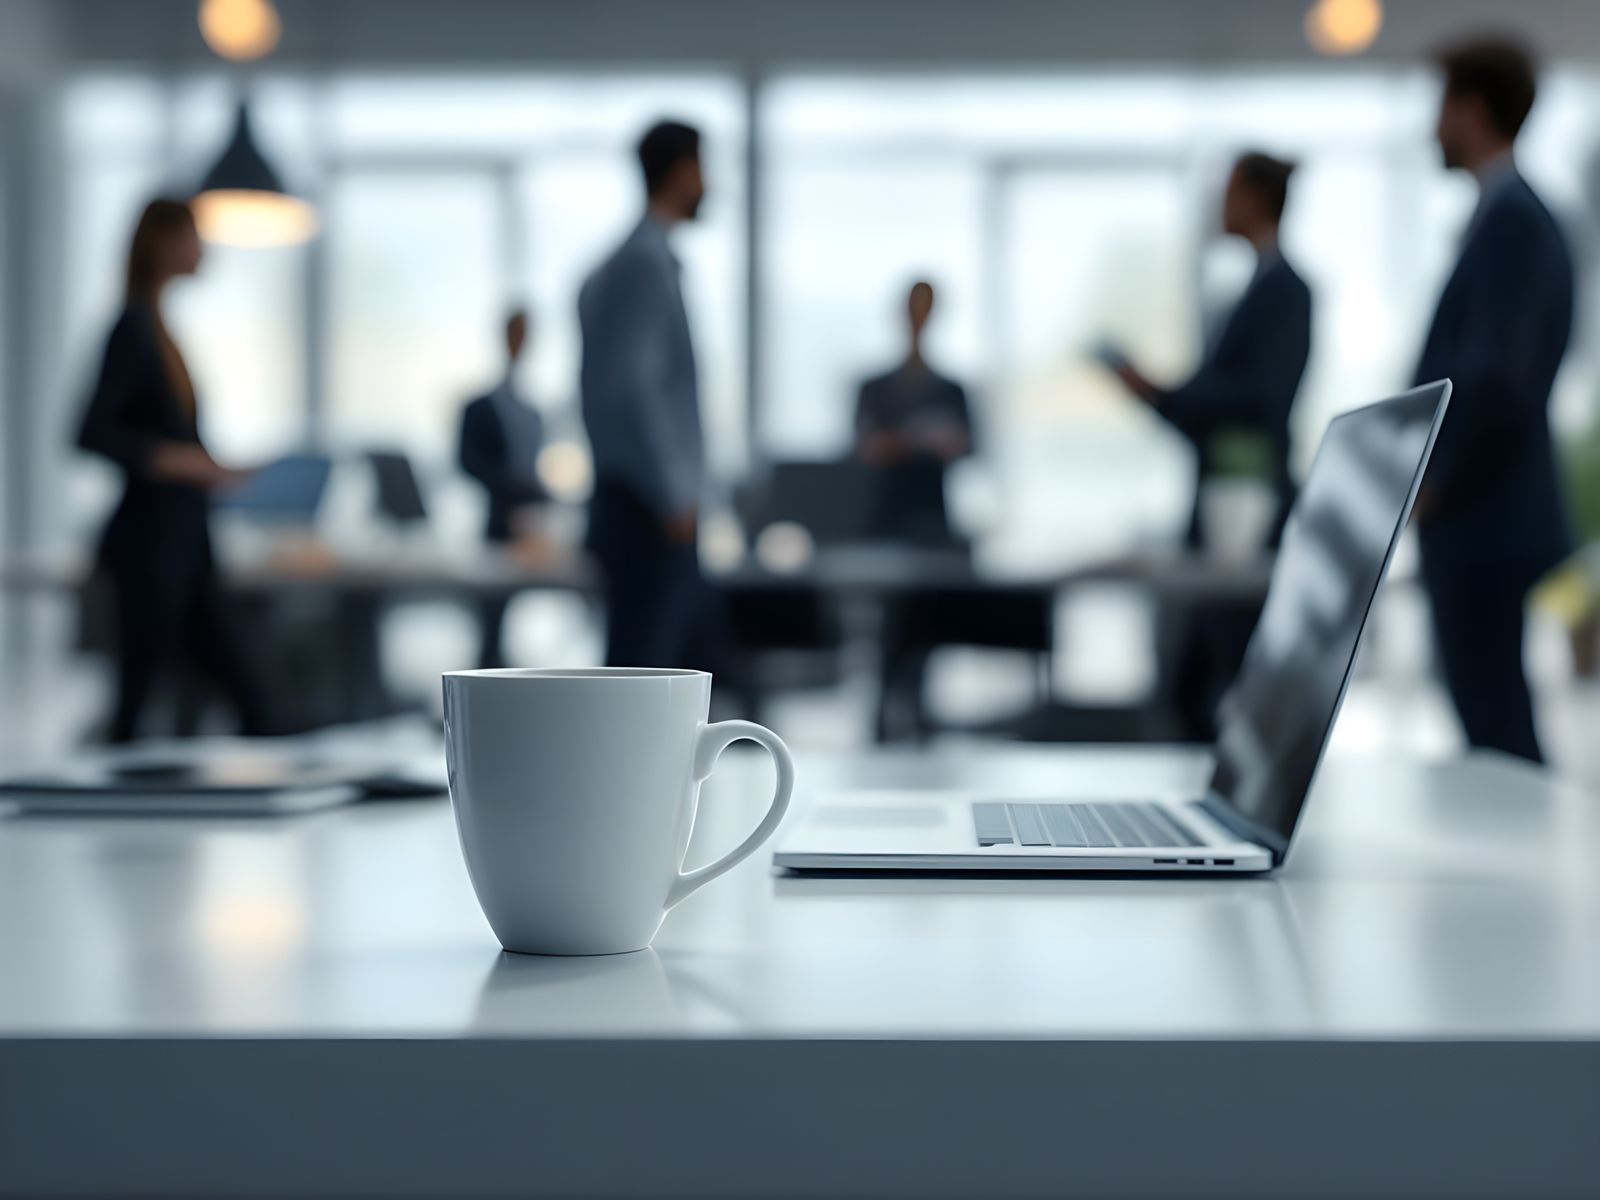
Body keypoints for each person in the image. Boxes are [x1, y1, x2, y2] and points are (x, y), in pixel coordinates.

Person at [1412, 37, 1574, 763]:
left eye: (1441, 106)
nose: (1432, 126)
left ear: (1472, 109)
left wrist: (1435, 485)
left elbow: (1498, 382)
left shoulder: (1514, 222)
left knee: (1497, 731)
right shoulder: (1504, 217)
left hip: (1484, 516)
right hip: (1485, 513)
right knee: (1490, 722)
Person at [78, 198, 269, 742]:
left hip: (185, 541)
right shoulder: (133, 329)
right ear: (165, 242)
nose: (202, 249)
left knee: (243, 691)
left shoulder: (160, 330)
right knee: (140, 701)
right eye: (193, 235)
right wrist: (181, 461)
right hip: (151, 545)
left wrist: (213, 467)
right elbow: (91, 431)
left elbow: (173, 433)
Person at [578, 119, 725, 672]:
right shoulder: (643, 264)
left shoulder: (626, 262)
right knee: (643, 678)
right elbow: (632, 391)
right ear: (683, 172)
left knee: (654, 672)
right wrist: (674, 495)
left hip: (638, 505)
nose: (708, 183)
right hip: (648, 511)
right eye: (703, 168)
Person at [1113, 152, 1313, 550]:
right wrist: (1155, 395)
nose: (1219, 205)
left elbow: (1260, 397)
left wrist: (1168, 392)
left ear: (1255, 198)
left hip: (1247, 498)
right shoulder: (1254, 287)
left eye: (1228, 193)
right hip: (1226, 492)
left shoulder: (1285, 290)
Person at [458, 307, 548, 669]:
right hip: (497, 525)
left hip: (529, 527)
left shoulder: (532, 413)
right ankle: (489, 664)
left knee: (504, 611)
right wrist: (511, 487)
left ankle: (496, 663)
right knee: (491, 613)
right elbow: (467, 461)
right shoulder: (483, 408)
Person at [854, 280, 973, 543]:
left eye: (924, 306)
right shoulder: (874, 389)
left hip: (934, 519)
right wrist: (919, 439)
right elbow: (864, 448)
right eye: (914, 306)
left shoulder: (951, 391)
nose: (918, 315)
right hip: (883, 519)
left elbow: (965, 447)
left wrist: (898, 442)